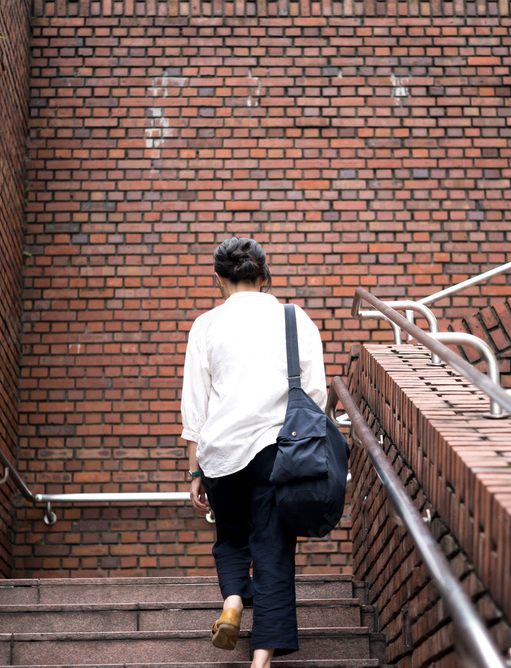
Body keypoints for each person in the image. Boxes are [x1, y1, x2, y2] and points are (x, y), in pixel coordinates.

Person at [180, 237, 328, 668]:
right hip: (276, 448)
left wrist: (194, 470)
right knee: (272, 544)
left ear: (218, 279)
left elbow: (196, 401)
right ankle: (261, 658)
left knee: (230, 536)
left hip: (220, 452)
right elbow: (315, 390)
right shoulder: (293, 318)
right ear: (265, 276)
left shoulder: (206, 325)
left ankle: (231, 604)